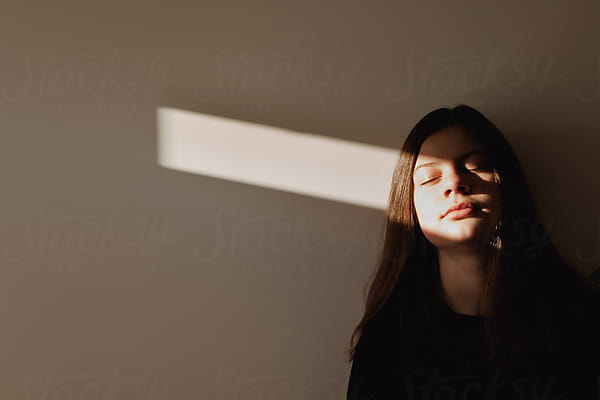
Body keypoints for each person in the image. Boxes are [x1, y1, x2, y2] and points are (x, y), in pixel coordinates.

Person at [345, 105, 600, 400]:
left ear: (506, 187)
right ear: (410, 209)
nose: (455, 183)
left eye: (476, 165)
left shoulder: (577, 316)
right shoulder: (387, 341)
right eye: (429, 179)